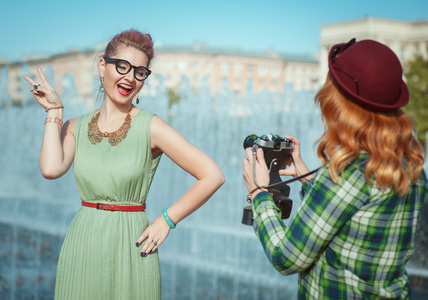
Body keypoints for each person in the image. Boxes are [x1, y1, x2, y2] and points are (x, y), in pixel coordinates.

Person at [24, 29, 224, 300]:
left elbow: (212, 175)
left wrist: (167, 220)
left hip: (132, 245)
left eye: (140, 72)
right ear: (102, 66)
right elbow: (50, 169)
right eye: (122, 66)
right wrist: (54, 112)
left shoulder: (152, 126)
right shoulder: (75, 126)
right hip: (83, 242)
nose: (130, 77)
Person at [242, 38, 428, 299]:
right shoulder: (411, 165)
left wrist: (260, 193)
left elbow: (286, 257)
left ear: (340, 104)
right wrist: (306, 177)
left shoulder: (347, 174)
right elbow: (352, 218)